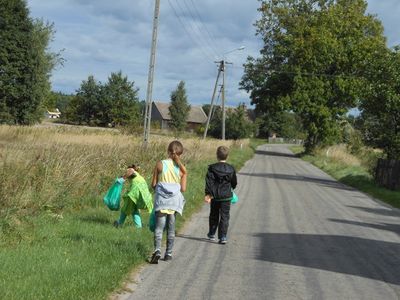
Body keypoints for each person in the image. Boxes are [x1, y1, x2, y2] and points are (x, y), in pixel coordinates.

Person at [149, 141, 187, 264]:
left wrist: (159, 190)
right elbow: (183, 189)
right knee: (171, 228)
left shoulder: (160, 164)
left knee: (159, 228)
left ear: (168, 151)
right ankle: (169, 253)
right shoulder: (181, 169)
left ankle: (157, 250)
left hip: (162, 201)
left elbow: (153, 184)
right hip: (174, 202)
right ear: (179, 154)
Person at [204, 146, 237, 244]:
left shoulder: (212, 168)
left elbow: (209, 182)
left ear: (217, 155)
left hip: (215, 196)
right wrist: (232, 188)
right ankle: (223, 237)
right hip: (226, 196)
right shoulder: (231, 169)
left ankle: (211, 234)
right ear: (227, 156)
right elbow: (234, 182)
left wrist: (208, 194)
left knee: (214, 215)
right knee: (225, 216)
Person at [114, 164, 153, 228]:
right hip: (143, 192)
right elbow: (128, 175)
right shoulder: (138, 175)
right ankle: (138, 227)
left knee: (125, 208)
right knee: (134, 209)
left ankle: (119, 224)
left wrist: (122, 179)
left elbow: (130, 172)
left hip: (135, 191)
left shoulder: (131, 170)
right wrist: (122, 177)